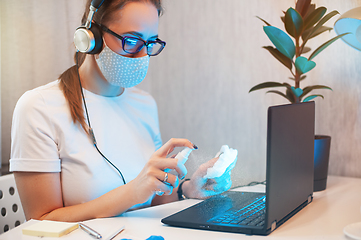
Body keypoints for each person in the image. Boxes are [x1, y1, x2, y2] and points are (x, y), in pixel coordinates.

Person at [10, 0, 234, 222]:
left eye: (150, 43)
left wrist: (188, 189)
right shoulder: (38, 107)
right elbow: (41, 221)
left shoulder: (144, 104)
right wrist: (133, 192)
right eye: (132, 40)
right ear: (92, 38)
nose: (142, 55)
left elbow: (154, 201)